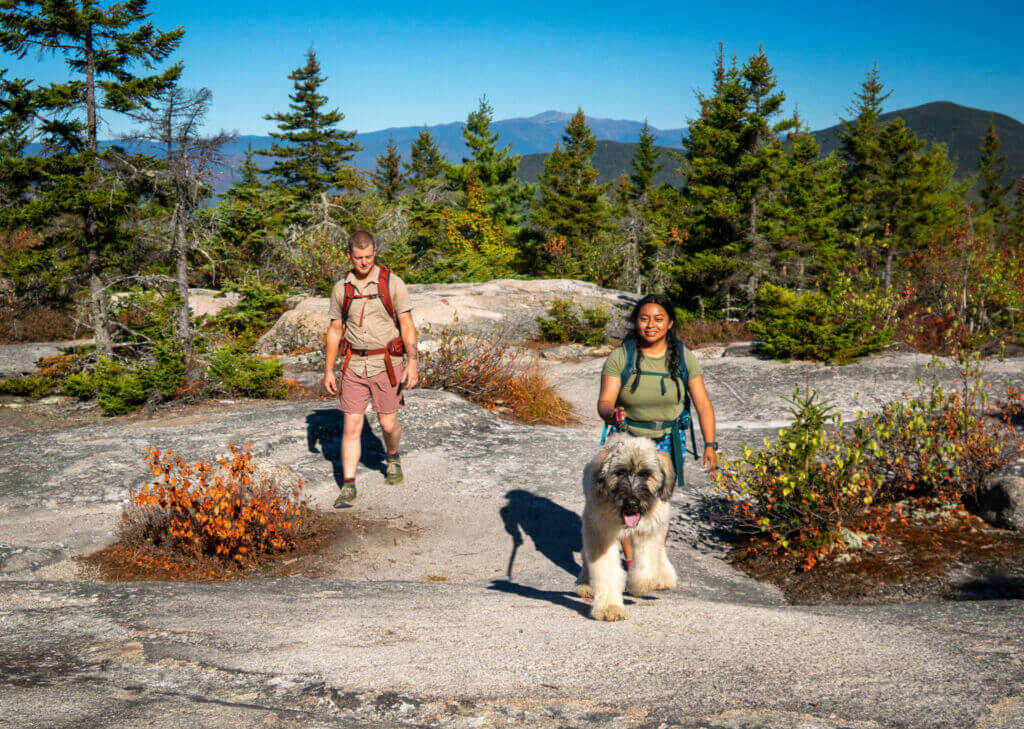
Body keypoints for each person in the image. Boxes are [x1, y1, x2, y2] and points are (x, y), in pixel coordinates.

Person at [596, 294, 717, 567]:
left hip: (668, 441)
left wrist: (710, 445)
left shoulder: (684, 358)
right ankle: (631, 560)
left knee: (658, 504)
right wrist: (611, 413)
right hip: (628, 440)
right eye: (644, 318)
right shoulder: (621, 357)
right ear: (636, 322)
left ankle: (650, 561)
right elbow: (604, 402)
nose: (651, 325)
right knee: (627, 498)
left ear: (670, 323)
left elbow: (703, 404)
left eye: (659, 319)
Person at [323, 231, 419, 508]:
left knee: (388, 424)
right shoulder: (342, 288)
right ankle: (349, 485)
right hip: (353, 364)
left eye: (368, 257)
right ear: (349, 255)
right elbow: (334, 329)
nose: (364, 262)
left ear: (375, 251)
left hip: (387, 364)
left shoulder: (393, 283)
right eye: (358, 257)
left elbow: (407, 325)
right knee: (351, 424)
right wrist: (329, 370)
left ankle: (392, 456)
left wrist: (412, 363)